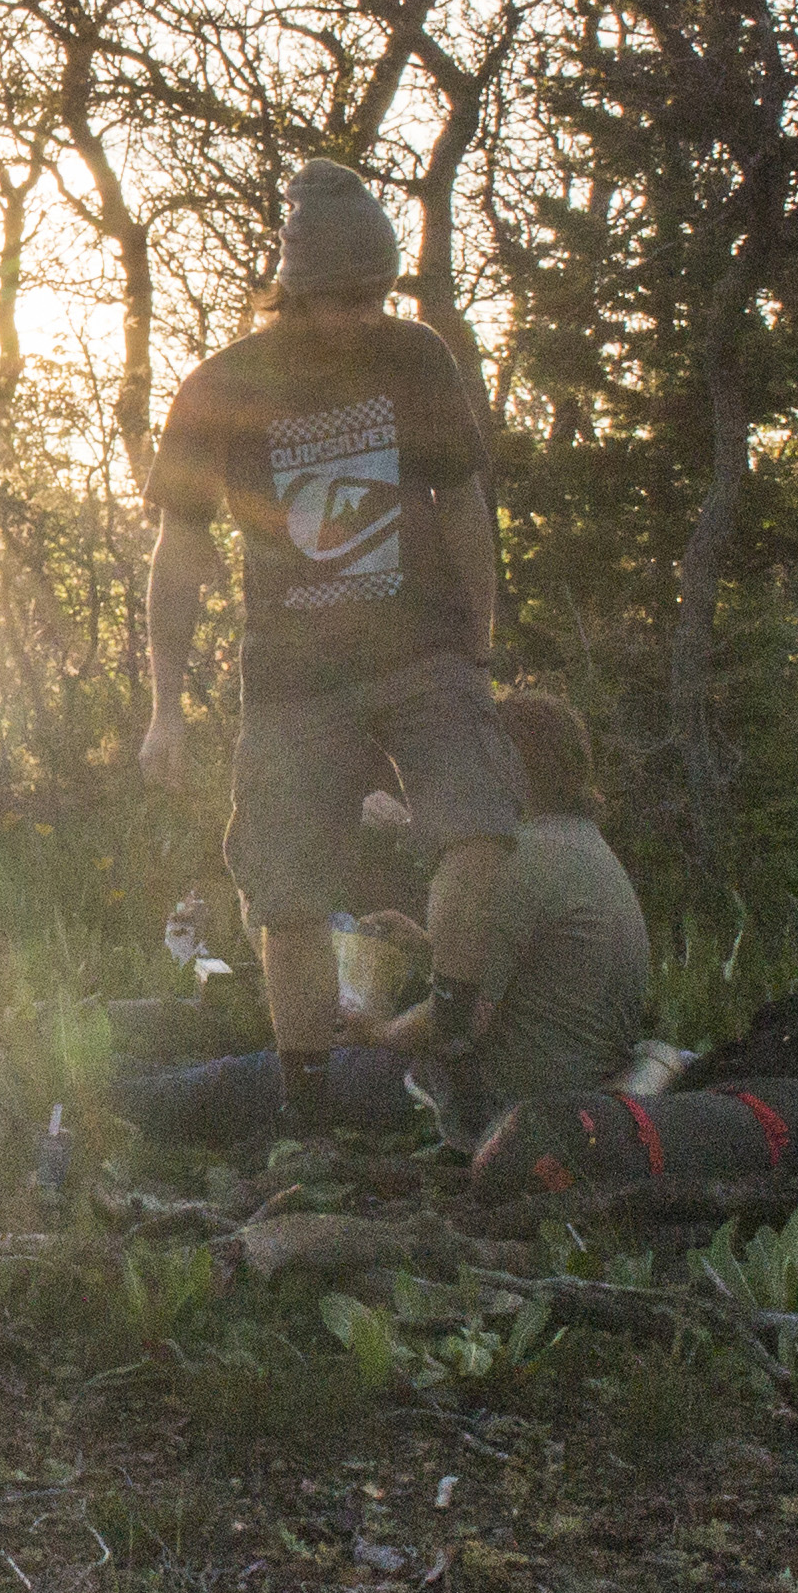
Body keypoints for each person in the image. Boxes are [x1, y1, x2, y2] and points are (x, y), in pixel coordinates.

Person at [136, 161, 524, 1143]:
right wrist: (164, 705)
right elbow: (179, 551)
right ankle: (307, 1118)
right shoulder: (222, 388)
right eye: (347, 297)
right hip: (294, 680)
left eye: (380, 294)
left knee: (479, 827)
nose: (367, 314)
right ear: (297, 291)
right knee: (286, 894)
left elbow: (464, 501)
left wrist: (480, 638)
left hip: (421, 647)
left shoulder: (416, 359)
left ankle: (456, 1049)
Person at [121, 686, 645, 1150]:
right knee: (276, 1041)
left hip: (487, 1100)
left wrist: (377, 1033)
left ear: (510, 768)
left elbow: (456, 1022)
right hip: (560, 1081)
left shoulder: (518, 862)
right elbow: (522, 977)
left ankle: (117, 1102)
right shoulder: (583, 848)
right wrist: (422, 946)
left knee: (274, 1075)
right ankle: (136, 1073)